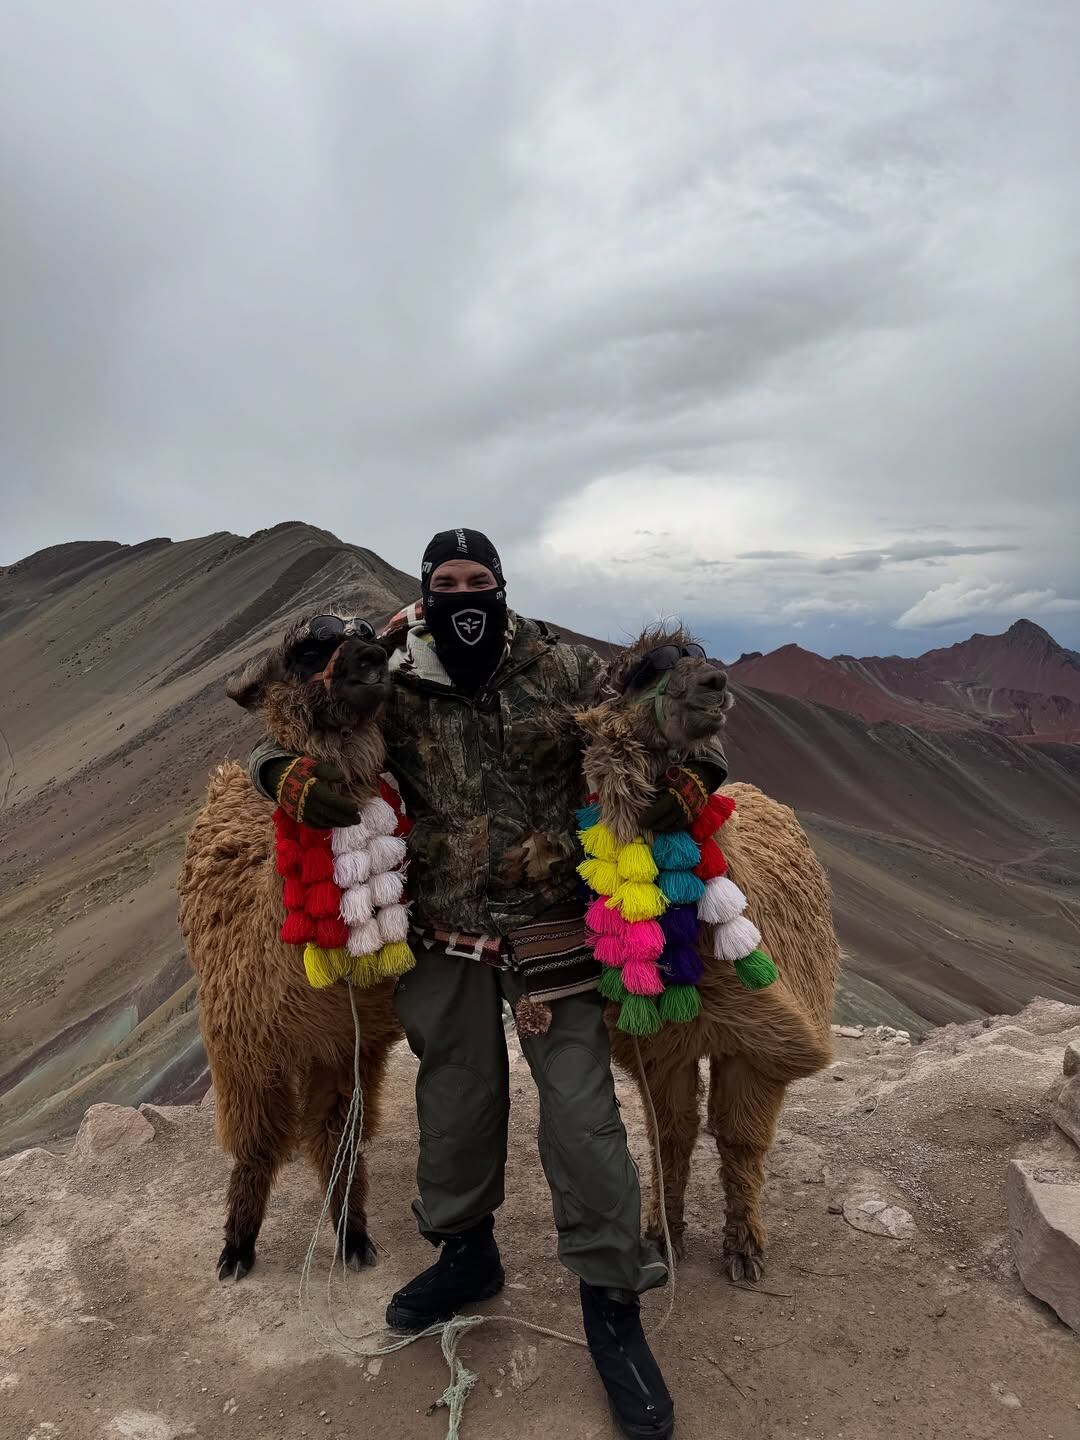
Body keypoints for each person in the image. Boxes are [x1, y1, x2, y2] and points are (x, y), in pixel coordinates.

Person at [248, 528, 727, 1440]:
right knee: (457, 1103)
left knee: (583, 1118)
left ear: (501, 586)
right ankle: (466, 1256)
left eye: (477, 580)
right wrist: (282, 777)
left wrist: (695, 785)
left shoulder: (563, 667)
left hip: (556, 924)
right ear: (424, 591)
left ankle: (611, 1306)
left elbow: (671, 729)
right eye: (444, 582)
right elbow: (290, 729)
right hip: (444, 929)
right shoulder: (388, 669)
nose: (461, 594)